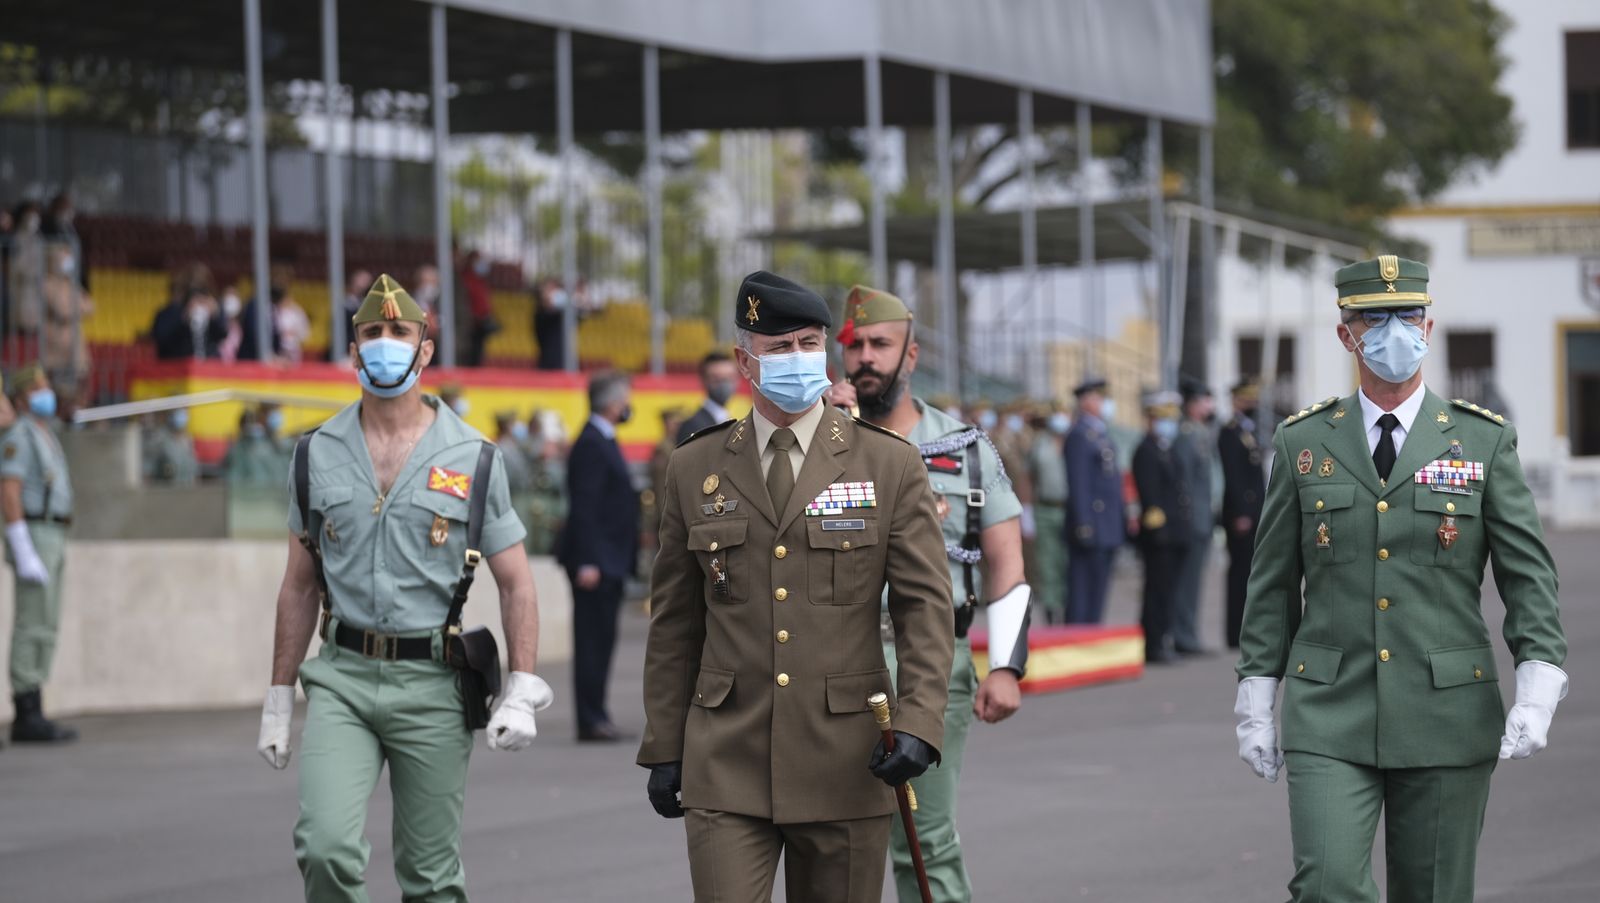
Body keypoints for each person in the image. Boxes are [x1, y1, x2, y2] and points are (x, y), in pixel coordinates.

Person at [1234, 256, 1569, 903]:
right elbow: (1272, 579)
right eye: (1375, 318)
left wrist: (1539, 676)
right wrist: (1255, 691)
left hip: (1447, 708)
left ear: (1429, 325)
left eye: (1408, 315)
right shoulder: (1302, 441)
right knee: (1325, 882)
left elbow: (1527, 574)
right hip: (1330, 707)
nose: (1395, 331)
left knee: (1435, 891)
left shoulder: (1481, 440)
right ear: (1346, 334)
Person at [638, 271, 954, 903]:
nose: (798, 359)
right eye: (779, 348)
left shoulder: (887, 464)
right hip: (727, 756)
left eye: (809, 343)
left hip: (846, 755)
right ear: (743, 361)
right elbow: (675, 620)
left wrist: (919, 721)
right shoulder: (694, 465)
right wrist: (664, 742)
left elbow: (924, 607)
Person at [256, 274, 554, 902]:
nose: (385, 342)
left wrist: (523, 685)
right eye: (372, 332)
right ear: (353, 350)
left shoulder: (475, 456)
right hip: (343, 678)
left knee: (431, 878)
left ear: (425, 350)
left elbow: (517, 582)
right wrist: (279, 694)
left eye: (400, 332)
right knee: (325, 848)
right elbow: (298, 584)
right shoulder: (314, 453)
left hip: (435, 684)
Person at [827, 284, 1026, 903]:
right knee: (833, 841)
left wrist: (1008, 667)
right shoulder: (819, 444)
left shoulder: (966, 449)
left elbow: (1006, 562)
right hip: (832, 664)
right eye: (854, 345)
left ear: (910, 356)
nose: (865, 358)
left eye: (880, 345)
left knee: (925, 838)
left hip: (931, 666)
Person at [557, 370, 639, 742]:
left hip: (610, 559)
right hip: (597, 562)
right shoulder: (592, 443)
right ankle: (590, 718)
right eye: (624, 400)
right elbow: (584, 508)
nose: (627, 407)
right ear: (610, 403)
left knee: (602, 641)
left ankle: (598, 712)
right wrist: (589, 560)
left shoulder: (603, 438)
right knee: (592, 642)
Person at [2, 364, 77, 743]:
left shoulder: (45, 432)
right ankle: (25, 708)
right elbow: (10, 490)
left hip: (53, 530)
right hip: (34, 531)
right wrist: (21, 546)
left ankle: (35, 703)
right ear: (20, 397)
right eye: (37, 388)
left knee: (46, 619)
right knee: (32, 619)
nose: (46, 392)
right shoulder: (19, 434)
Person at [1131, 392, 1190, 664]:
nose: (1167, 424)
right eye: (1162, 419)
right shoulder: (1146, 450)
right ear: (1151, 420)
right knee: (1157, 591)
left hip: (1174, 532)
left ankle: (1163, 639)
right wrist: (1160, 531)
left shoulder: (1165, 449)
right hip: (1159, 534)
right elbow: (1151, 495)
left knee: (1169, 590)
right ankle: (1153, 644)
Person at [1063, 378, 1123, 624]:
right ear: (1086, 401)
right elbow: (1079, 484)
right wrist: (1084, 523)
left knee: (1098, 590)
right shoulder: (1080, 435)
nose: (1104, 404)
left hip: (1106, 524)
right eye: (1099, 398)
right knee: (1083, 591)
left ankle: (1091, 639)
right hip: (1092, 524)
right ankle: (1076, 641)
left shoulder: (1099, 433)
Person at [1217, 379, 1265, 649]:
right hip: (1241, 514)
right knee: (1239, 574)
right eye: (1247, 399)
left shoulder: (1249, 431)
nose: (1252, 404)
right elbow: (1233, 477)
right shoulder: (1230, 432)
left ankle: (1246, 629)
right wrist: (1241, 512)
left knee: (1250, 573)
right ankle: (1234, 632)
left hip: (1254, 511)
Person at [1170, 379, 1216, 655]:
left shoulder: (1199, 432)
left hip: (1202, 517)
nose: (1207, 406)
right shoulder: (1187, 435)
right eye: (1202, 401)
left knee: (1194, 581)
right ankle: (1183, 635)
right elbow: (1185, 482)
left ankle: (1189, 633)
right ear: (1191, 405)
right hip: (1192, 519)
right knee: (1186, 582)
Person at [1028, 404, 1070, 623]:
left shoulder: (1074, 442)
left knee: (1067, 561)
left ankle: (1068, 606)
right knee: (1047, 561)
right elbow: (1029, 476)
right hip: (1045, 508)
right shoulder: (1040, 444)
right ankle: (1051, 608)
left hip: (1069, 509)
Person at [677, 350, 739, 444]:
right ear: (703, 380)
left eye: (730, 377)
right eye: (717, 379)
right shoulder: (692, 426)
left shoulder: (737, 420)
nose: (725, 385)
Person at [152, 286, 226, 360]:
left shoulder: (211, 318)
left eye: (202, 301)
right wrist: (186, 319)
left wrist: (214, 315)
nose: (199, 305)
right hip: (180, 362)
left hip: (210, 363)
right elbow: (164, 341)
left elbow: (222, 335)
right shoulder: (172, 315)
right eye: (197, 301)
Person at [459, 250, 497, 367]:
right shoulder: (466, 279)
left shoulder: (481, 280)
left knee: (478, 356)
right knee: (471, 357)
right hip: (471, 326)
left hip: (481, 323)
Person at [144, 409, 199, 485]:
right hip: (167, 489)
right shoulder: (161, 439)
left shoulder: (188, 439)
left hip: (187, 488)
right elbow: (149, 467)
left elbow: (193, 467)